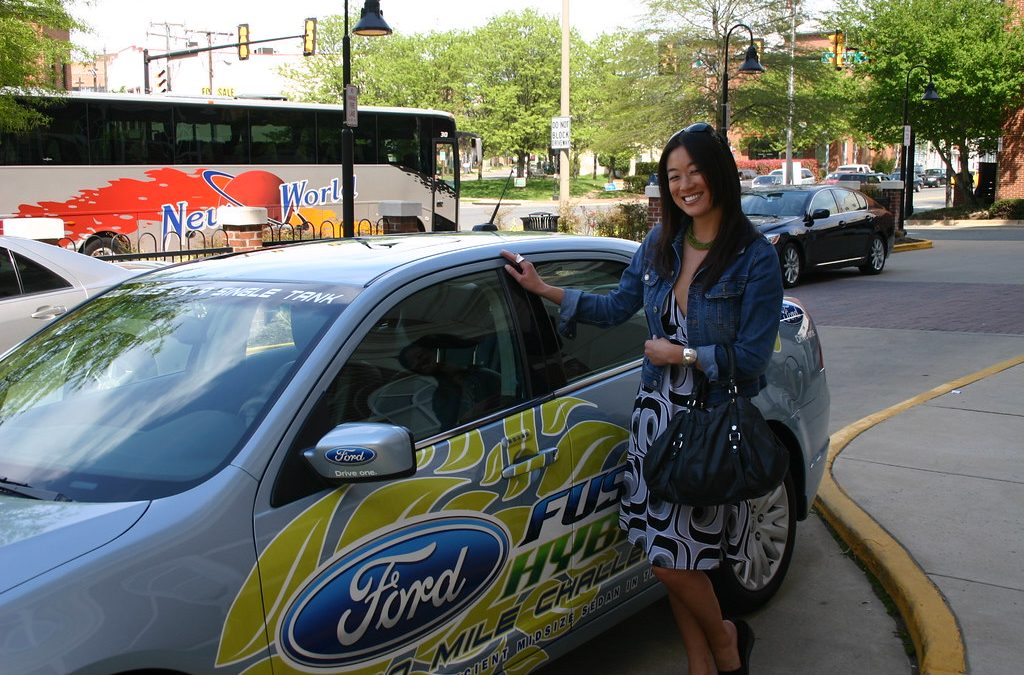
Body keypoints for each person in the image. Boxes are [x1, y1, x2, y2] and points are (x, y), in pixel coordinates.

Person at [501, 122, 783, 675]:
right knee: (666, 555)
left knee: (677, 560)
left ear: (718, 174)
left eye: (694, 172)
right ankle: (702, 664)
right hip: (655, 420)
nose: (684, 185)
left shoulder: (755, 258)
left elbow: (752, 357)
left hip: (704, 425)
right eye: (673, 176)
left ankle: (725, 642)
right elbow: (614, 307)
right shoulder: (661, 244)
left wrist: (683, 355)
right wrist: (544, 289)